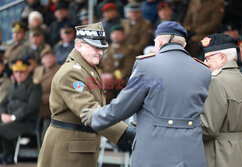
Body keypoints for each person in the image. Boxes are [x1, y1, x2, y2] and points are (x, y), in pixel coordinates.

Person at [81, 21, 211, 167]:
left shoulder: (147, 66)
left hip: (154, 153)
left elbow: (123, 106)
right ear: (184, 44)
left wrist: (95, 117)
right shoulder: (204, 70)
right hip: (191, 154)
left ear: (160, 42)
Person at [37, 22, 135, 167]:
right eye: (95, 47)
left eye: (102, 48)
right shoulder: (72, 73)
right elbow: (89, 110)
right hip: (68, 149)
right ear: (79, 46)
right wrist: (124, 132)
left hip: (78, 145)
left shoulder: (86, 68)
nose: (100, 52)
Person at [199, 33, 242, 167]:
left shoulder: (216, 81)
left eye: (208, 59)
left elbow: (207, 128)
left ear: (222, 57)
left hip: (219, 154)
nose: (205, 63)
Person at [0, 59, 41, 164]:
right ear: (13, 72)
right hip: (10, 119)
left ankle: (8, 155)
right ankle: (4, 154)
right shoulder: (11, 86)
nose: (19, 74)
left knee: (2, 129)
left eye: (22, 71)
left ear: (27, 71)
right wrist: (3, 115)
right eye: (16, 72)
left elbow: (32, 106)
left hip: (25, 122)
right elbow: (3, 103)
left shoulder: (34, 86)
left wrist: (13, 117)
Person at [99, 24, 135, 103]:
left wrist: (111, 75)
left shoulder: (129, 50)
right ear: (111, 35)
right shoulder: (106, 49)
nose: (116, 36)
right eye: (114, 34)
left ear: (123, 35)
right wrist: (100, 74)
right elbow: (99, 65)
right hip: (104, 78)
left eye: (118, 34)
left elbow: (128, 69)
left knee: (105, 85)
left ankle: (108, 109)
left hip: (121, 79)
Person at [33, 48, 60, 139]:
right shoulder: (38, 69)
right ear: (42, 60)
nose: (48, 60)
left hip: (49, 106)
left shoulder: (59, 70)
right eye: (46, 58)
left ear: (55, 58)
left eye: (50, 57)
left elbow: (58, 92)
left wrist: (39, 98)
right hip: (36, 105)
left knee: (45, 133)